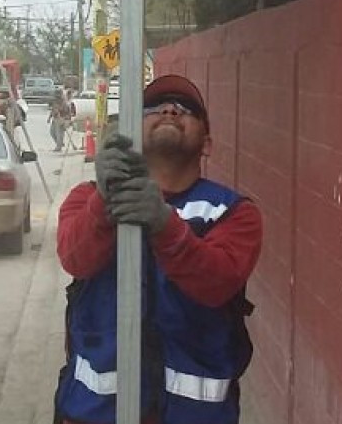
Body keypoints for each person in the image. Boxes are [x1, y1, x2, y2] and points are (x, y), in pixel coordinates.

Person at [54, 75, 263, 424]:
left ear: (207, 143)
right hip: (94, 414)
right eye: (155, 106)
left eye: (186, 109)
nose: (169, 109)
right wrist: (105, 200)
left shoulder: (233, 212)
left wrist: (165, 226)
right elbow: (76, 258)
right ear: (133, 136)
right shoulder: (86, 198)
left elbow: (218, 283)